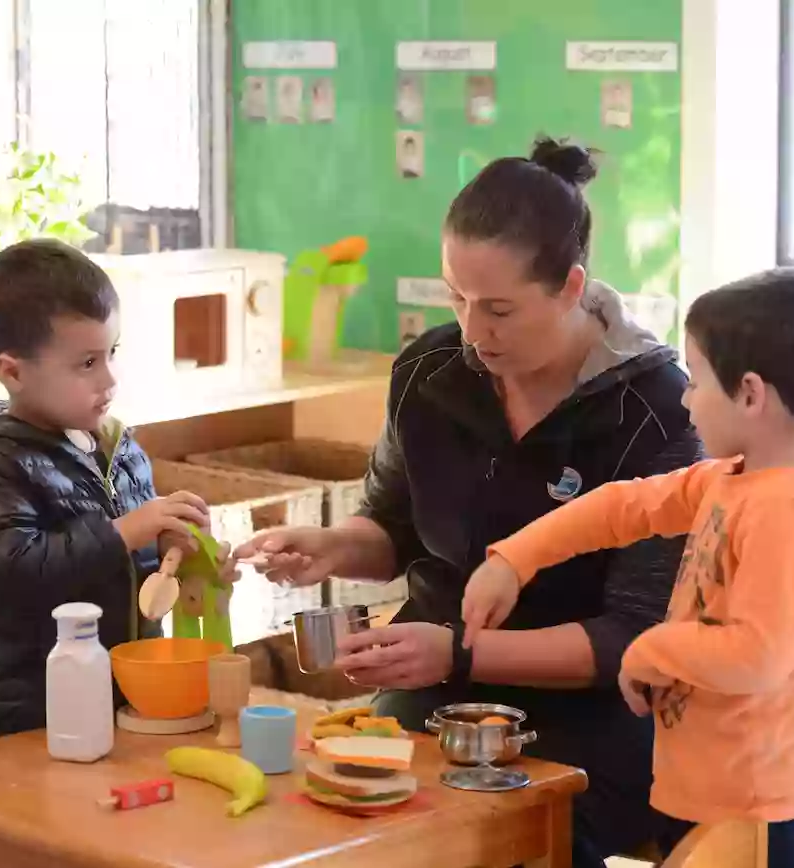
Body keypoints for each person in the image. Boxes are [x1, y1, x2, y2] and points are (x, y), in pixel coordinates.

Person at [236, 137, 703, 866]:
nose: (474, 332)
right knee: (345, 827)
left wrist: (459, 650)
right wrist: (332, 545)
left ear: (572, 287)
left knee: (494, 845)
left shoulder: (659, 411)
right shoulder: (430, 370)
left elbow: (633, 639)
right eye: (454, 297)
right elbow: (394, 523)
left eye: (500, 310)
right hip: (438, 688)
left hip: (595, 712)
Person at [464, 268, 794, 868]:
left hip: (756, 811)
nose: (684, 398)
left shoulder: (787, 510)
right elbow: (625, 506)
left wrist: (648, 651)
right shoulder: (734, 478)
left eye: (696, 382)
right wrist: (515, 560)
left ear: (750, 394)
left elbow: (758, 653)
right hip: (705, 795)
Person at [0, 239, 214, 742]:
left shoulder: (118, 449)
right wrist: (125, 532)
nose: (109, 378)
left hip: (122, 703)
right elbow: (15, 576)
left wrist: (169, 548)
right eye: (86, 363)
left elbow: (128, 575)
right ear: (13, 372)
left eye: (111, 353)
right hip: (30, 722)